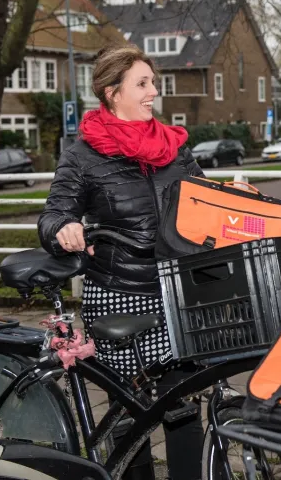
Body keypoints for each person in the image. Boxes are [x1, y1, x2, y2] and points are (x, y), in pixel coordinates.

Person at [38, 44, 203, 480]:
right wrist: (62, 229)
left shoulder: (175, 148)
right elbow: (54, 213)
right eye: (143, 84)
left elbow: (206, 204)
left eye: (153, 82)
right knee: (130, 415)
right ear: (112, 92)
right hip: (119, 295)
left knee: (183, 407)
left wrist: (235, 199)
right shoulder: (83, 154)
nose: (154, 92)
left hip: (175, 292)